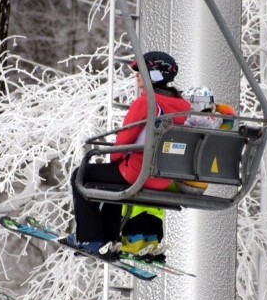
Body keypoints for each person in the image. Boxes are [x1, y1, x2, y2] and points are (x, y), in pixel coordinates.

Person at [66, 51, 191, 257]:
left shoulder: (146, 103)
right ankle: (108, 239)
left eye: (141, 71)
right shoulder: (185, 108)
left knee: (82, 174)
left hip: (138, 173)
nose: (137, 76)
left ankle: (91, 238)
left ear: (155, 74)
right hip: (164, 177)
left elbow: (125, 139)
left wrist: (116, 160)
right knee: (109, 183)